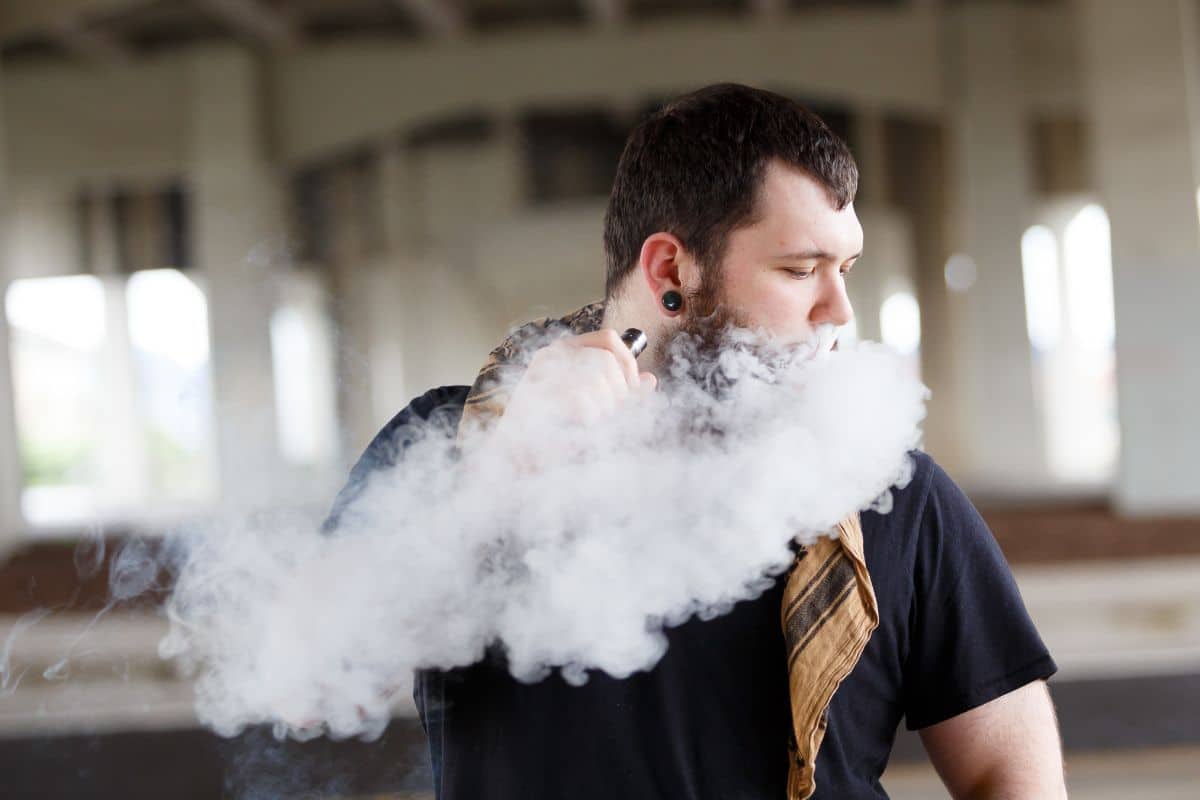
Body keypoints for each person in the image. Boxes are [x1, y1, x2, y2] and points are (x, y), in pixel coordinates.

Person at [324, 84, 1066, 799]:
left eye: (845, 270)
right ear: (671, 270)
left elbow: (1008, 773)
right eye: (800, 269)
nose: (838, 309)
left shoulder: (885, 485)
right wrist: (505, 476)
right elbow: (322, 681)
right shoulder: (445, 446)